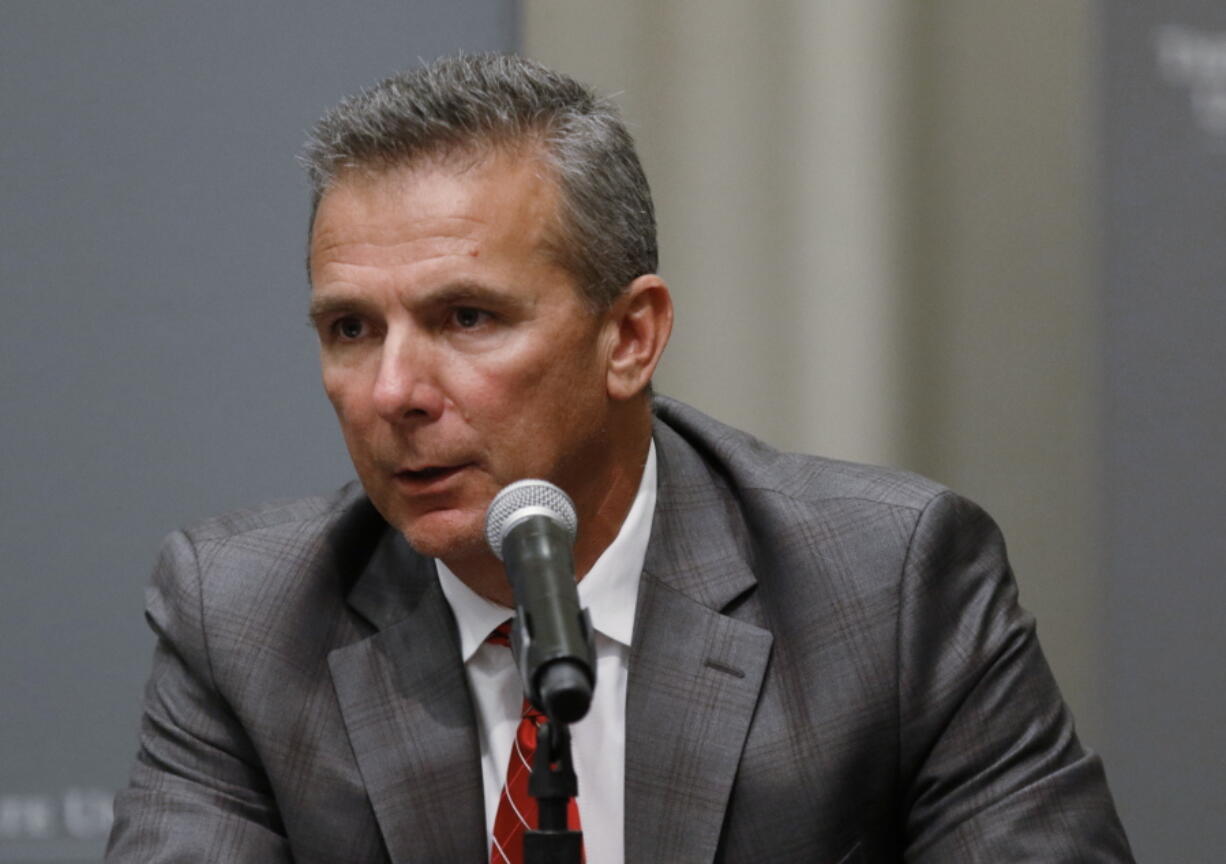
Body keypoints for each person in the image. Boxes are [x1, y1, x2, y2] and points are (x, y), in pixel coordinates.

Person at [107, 53, 1133, 863]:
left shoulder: (887, 588)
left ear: (630, 337)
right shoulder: (246, 623)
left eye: (466, 317)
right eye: (348, 329)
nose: (393, 392)